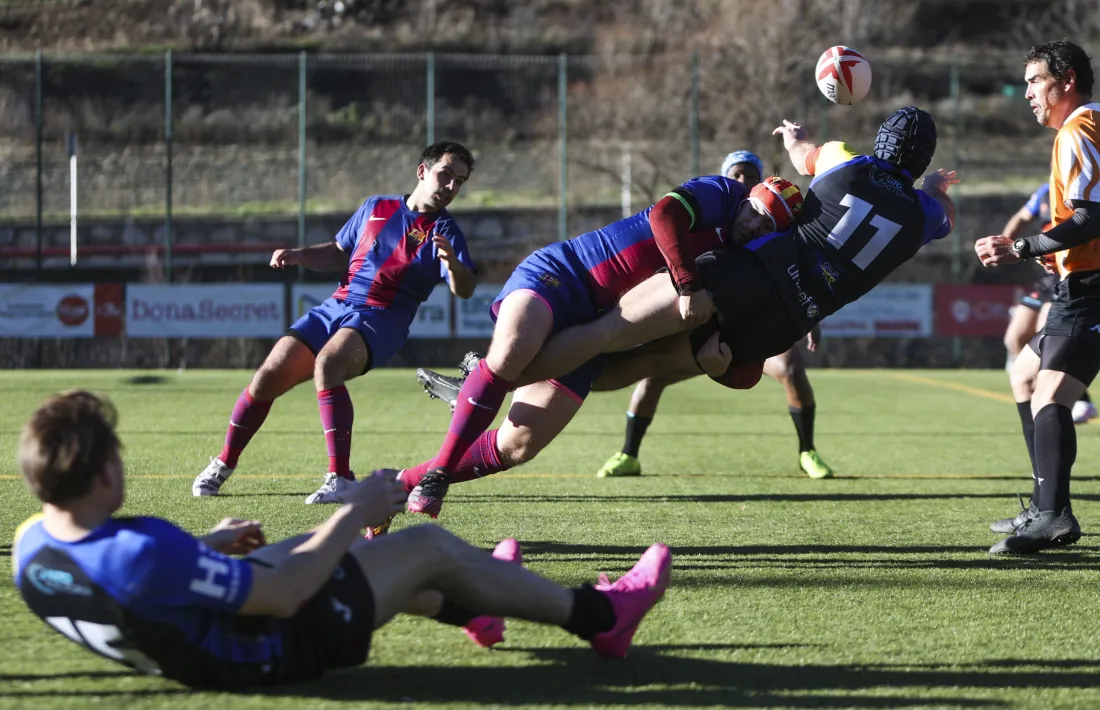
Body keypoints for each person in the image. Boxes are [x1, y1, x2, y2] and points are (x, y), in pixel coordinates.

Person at [401, 107, 955, 520]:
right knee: (638, 359)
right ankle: (485, 388)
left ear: (881, 140)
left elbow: (806, 158)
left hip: (745, 281)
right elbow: (944, 214)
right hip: (786, 317)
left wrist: (798, 139)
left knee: (609, 338)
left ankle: (485, 383)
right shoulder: (924, 215)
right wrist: (932, 188)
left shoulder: (845, 165)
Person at [13, 390, 673, 689]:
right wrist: (355, 509)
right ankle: (602, 617)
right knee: (422, 550)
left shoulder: (31, 547)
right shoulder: (142, 554)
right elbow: (281, 595)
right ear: (103, 471)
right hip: (265, 650)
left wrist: (206, 547)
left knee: (323, 548)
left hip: (196, 635)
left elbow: (135, 578)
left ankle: (479, 607)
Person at [405, 172, 805, 518]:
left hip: (599, 330)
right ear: (748, 196)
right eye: (757, 212)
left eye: (767, 226)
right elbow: (665, 215)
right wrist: (687, 285)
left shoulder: (741, 264)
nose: (756, 225)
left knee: (517, 446)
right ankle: (441, 468)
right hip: (566, 274)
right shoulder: (724, 193)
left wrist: (716, 364)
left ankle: (401, 482)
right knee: (511, 355)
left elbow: (744, 366)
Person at [191, 142, 479, 505]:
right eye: (446, 175)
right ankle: (224, 463)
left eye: (460, 182)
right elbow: (340, 251)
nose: (451, 187)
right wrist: (300, 255)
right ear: (423, 172)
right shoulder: (376, 207)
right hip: (337, 304)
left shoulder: (446, 232)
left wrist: (452, 265)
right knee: (266, 377)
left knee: (327, 365)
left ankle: (339, 477)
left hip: (383, 316)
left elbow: (465, 288)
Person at [594, 149, 835, 481]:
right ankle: (628, 454)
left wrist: (812, 320)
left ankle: (808, 451)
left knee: (791, 368)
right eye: (735, 174)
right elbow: (668, 228)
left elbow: (794, 275)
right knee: (652, 375)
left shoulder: (773, 229)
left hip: (746, 328)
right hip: (704, 323)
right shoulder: (711, 214)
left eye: (750, 175)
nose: (742, 180)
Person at [975, 39, 1100, 553]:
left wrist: (1023, 247)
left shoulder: (1077, 130)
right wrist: (1056, 250)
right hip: (1080, 281)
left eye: (1034, 81)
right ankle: (1045, 503)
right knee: (1024, 373)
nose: (1027, 92)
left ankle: (1053, 517)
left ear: (1065, 80)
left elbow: (1092, 215)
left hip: (1091, 290)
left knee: (1052, 396)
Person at [1000, 183, 1097, 423]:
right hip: (1046, 277)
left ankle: (1079, 400)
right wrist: (1006, 244)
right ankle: (1041, 389)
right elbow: (1022, 217)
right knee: (1014, 338)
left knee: (1046, 332)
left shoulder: (1086, 191)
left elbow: (1083, 228)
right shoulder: (1045, 191)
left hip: (1069, 274)